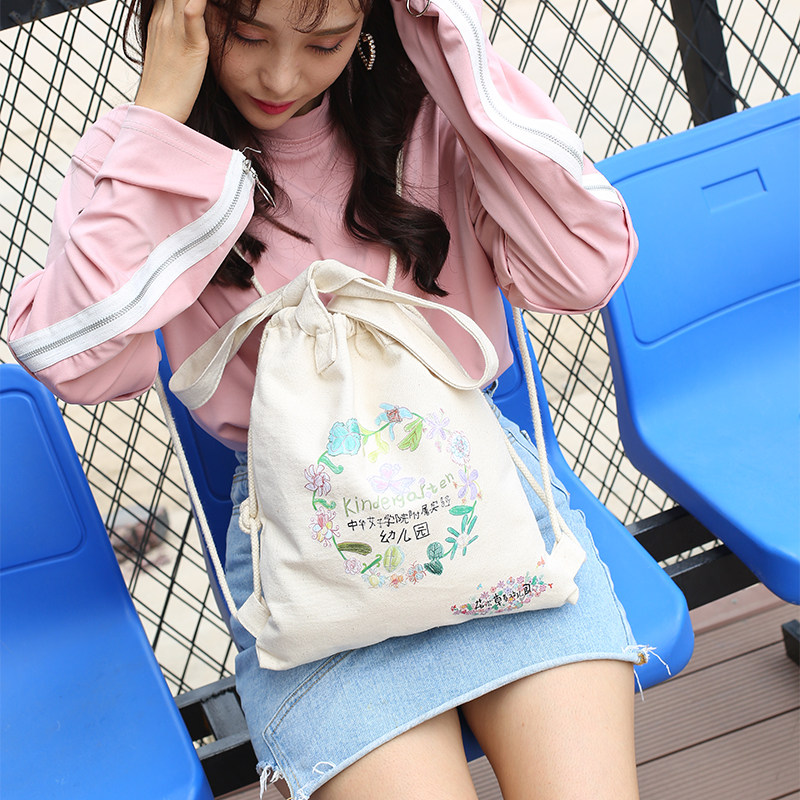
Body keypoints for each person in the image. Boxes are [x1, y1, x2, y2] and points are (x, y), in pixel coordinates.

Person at [7, 0, 646, 797]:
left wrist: (455, 49)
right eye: (248, 36)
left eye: (325, 43)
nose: (280, 78)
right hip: (306, 551)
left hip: (484, 503)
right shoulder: (141, 159)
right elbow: (72, 359)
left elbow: (586, 269)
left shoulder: (432, 115)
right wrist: (160, 119)